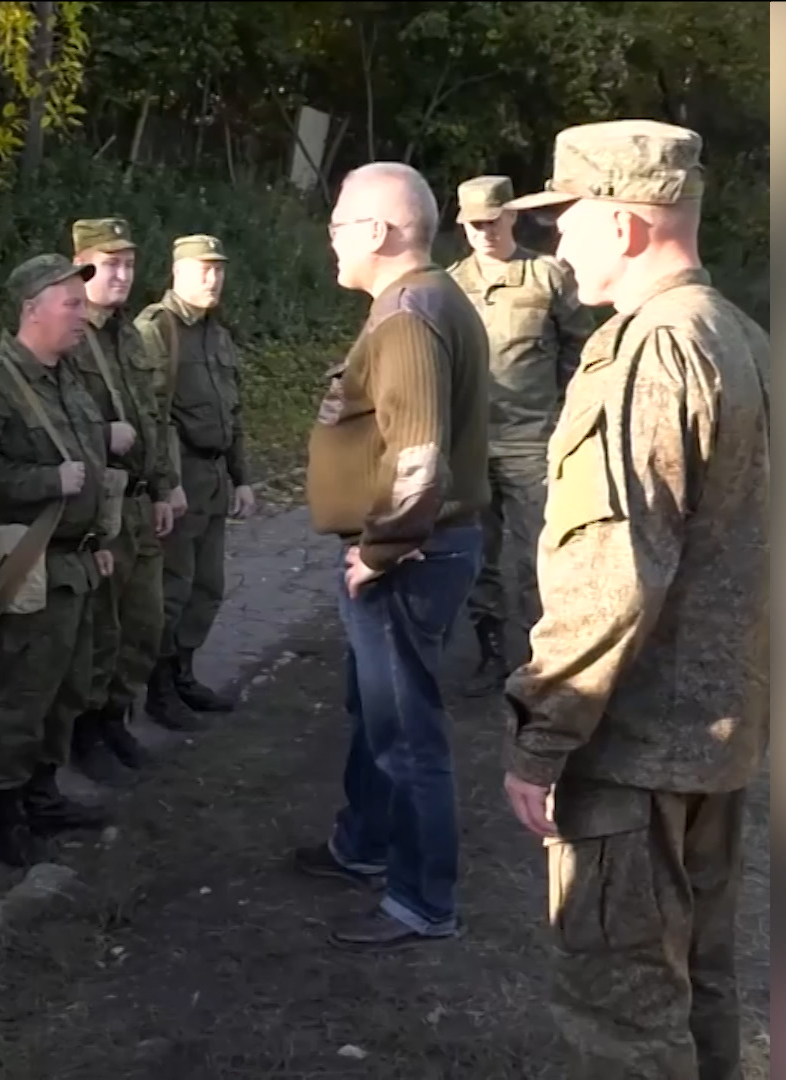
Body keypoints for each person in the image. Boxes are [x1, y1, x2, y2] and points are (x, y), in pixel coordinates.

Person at [500, 120, 770, 1080]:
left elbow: (610, 569)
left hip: (637, 749)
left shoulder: (651, 350)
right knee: (700, 982)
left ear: (621, 224)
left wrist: (544, 735)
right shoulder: (741, 337)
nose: (557, 243)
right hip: (715, 739)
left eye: (567, 217)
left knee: (622, 1012)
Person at [294, 163, 490, 949]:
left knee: (406, 729)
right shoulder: (430, 298)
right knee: (374, 711)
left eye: (340, 221)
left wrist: (381, 549)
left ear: (378, 232)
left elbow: (418, 457)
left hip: (412, 556)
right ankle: (365, 844)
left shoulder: (409, 312)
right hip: (423, 548)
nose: (330, 236)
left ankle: (421, 899)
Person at [0, 254, 116, 868]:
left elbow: (90, 464)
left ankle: (43, 792)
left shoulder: (68, 376)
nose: (82, 315)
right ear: (31, 310)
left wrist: (99, 535)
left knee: (66, 688)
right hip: (26, 565)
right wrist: (45, 480)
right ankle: (8, 813)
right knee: (20, 693)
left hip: (73, 562)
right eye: (70, 304)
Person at [445, 176, 592, 693]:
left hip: (533, 441)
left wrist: (567, 419)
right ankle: (488, 654)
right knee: (476, 555)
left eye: (492, 221)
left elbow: (580, 352)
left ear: (511, 217)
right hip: (471, 443)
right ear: (462, 225)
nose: (484, 232)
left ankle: (543, 662)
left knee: (540, 555)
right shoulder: (449, 284)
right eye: (473, 224)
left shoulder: (548, 276)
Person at [61, 217, 178, 784]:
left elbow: (153, 417)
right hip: (94, 507)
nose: (122, 275)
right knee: (98, 628)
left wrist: (161, 485)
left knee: (143, 621)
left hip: (136, 503)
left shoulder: (128, 334)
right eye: (110, 264)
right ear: (81, 265)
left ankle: (116, 714)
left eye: (128, 264)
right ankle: (87, 731)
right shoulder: (67, 333)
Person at [136, 234, 253, 730]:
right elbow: (151, 414)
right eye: (202, 269)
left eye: (218, 269)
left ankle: (182, 673)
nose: (212, 278)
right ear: (176, 273)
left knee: (208, 586)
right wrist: (167, 482)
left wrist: (241, 478)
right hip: (179, 474)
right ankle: (156, 687)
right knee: (173, 588)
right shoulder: (157, 329)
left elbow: (233, 410)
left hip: (212, 476)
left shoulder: (215, 332)